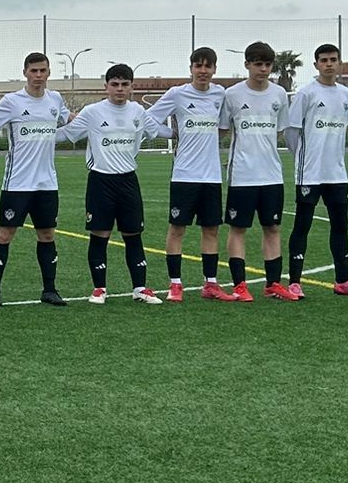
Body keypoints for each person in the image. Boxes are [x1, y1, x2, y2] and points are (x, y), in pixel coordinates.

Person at [56, 64, 165, 305]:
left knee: (133, 234)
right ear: (106, 87)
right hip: (100, 180)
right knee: (100, 234)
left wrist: (195, 129)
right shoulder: (93, 111)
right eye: (114, 84)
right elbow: (66, 134)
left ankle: (139, 288)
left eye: (125, 84)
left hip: (128, 181)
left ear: (132, 87)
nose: (120, 89)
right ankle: (99, 289)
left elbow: (160, 131)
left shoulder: (138, 111)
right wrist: (34, 134)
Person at [140, 47, 227, 303]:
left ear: (214, 69)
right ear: (191, 68)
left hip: (211, 175)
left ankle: (210, 283)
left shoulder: (220, 95)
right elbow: (148, 120)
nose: (203, 71)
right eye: (198, 66)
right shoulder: (177, 94)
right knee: (177, 228)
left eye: (207, 66)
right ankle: (175, 284)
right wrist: (172, 134)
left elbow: (222, 128)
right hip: (184, 174)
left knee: (211, 229)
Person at [0, 52, 70, 306]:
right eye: (34, 71)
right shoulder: (11, 101)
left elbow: (68, 120)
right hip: (17, 183)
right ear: (25, 73)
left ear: (49, 72)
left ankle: (50, 290)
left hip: (47, 183)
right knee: (5, 234)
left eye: (43, 71)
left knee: (46, 234)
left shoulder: (55, 99)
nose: (39, 76)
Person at [286, 44, 348, 297]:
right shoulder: (306, 93)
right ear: (316, 65)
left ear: (339, 63)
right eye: (324, 60)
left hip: (337, 173)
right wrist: (302, 158)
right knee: (303, 225)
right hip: (310, 172)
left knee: (340, 225)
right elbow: (291, 131)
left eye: (333, 59)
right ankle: (295, 281)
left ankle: (343, 281)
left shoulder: (346, 94)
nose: (329, 64)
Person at [220, 41, 295, 303]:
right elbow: (222, 130)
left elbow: (280, 131)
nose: (263, 69)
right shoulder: (232, 95)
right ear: (247, 65)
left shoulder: (279, 95)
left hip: (272, 175)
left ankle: (273, 283)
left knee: (272, 227)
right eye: (257, 64)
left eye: (267, 64)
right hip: (242, 175)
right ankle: (239, 285)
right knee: (238, 229)